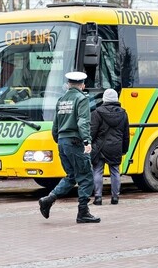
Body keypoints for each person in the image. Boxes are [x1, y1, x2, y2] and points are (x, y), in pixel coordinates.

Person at [39, 71, 100, 224]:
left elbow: (55, 126)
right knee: (86, 177)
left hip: (62, 141)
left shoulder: (61, 99)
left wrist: (59, 140)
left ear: (68, 84)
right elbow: (83, 122)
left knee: (71, 176)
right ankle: (83, 212)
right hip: (76, 142)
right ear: (82, 85)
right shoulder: (81, 99)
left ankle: (49, 199)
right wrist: (86, 141)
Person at [90, 88, 130, 205]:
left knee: (98, 171)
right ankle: (115, 197)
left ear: (104, 99)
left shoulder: (97, 113)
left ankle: (98, 197)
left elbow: (92, 132)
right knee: (115, 171)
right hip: (115, 147)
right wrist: (124, 149)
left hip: (100, 147)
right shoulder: (123, 113)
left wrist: (89, 145)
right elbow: (125, 134)